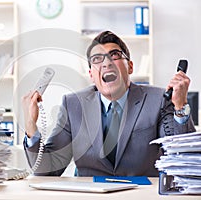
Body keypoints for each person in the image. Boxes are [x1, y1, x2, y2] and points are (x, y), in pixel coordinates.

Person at [22, 30, 196, 177]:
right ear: (91, 74)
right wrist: (31, 126)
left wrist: (180, 107)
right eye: (97, 59)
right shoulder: (73, 105)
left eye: (115, 55)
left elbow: (180, 159)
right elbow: (48, 169)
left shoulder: (158, 100)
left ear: (130, 67)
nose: (106, 63)